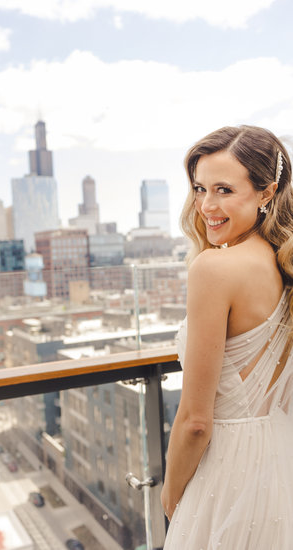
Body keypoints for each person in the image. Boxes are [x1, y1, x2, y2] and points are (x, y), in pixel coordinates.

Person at [161, 125, 293, 549]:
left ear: (266, 193)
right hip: (281, 458)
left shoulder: (214, 269)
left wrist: (171, 490)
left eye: (223, 189)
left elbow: (196, 423)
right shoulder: (284, 265)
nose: (206, 205)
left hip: (228, 470)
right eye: (200, 188)